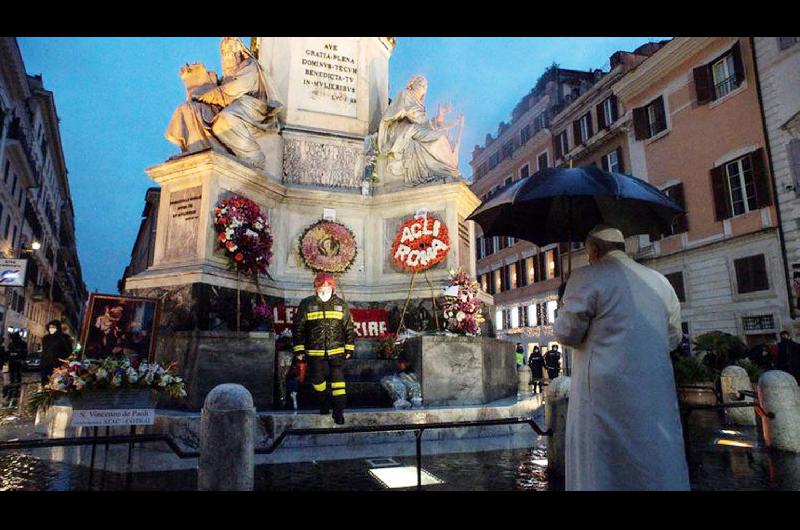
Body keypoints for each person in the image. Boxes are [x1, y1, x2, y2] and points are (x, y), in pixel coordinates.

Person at [554, 224, 690, 491]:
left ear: (593, 248)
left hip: (604, 396)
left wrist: (563, 308)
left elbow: (567, 334)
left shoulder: (585, 277)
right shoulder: (660, 281)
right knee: (655, 459)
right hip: (654, 391)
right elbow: (673, 338)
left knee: (604, 466)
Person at [166, 37, 283, 168]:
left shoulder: (250, 65)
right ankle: (196, 149)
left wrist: (209, 95)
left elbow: (236, 88)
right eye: (224, 53)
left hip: (251, 108)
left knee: (224, 121)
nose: (226, 57)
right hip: (230, 106)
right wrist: (195, 78)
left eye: (230, 52)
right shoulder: (227, 76)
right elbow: (216, 91)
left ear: (239, 53)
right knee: (187, 109)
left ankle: (253, 156)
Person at [292, 273, 355, 425]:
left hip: (336, 351)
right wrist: (299, 350)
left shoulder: (341, 305)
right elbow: (298, 328)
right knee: (317, 380)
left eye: (327, 286)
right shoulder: (306, 304)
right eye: (321, 286)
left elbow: (349, 327)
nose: (324, 289)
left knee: (338, 383)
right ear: (316, 288)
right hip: (315, 351)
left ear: (333, 288)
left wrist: (349, 347)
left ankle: (338, 412)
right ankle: (325, 402)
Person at [377, 75, 463, 186]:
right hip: (409, 128)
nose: (423, 86)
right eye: (421, 83)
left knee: (443, 138)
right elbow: (401, 112)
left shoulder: (419, 103)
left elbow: (425, 123)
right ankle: (443, 170)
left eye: (425, 85)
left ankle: (447, 171)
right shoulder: (406, 94)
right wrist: (407, 113)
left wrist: (445, 121)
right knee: (439, 139)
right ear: (412, 84)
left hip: (418, 128)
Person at [41, 320, 73, 387]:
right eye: (50, 327)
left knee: (56, 384)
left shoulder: (64, 338)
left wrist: (59, 358)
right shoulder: (45, 338)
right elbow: (44, 351)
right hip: (45, 364)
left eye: (53, 327)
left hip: (57, 365)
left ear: (58, 328)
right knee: (45, 384)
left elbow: (68, 351)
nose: (51, 329)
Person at [5, 333, 27, 406]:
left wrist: (22, 359)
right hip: (12, 362)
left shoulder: (22, 344)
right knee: (12, 375)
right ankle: (13, 387)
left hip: (18, 362)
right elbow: (9, 353)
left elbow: (25, 353)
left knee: (17, 374)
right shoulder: (12, 344)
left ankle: (17, 387)